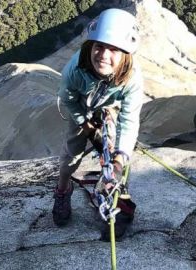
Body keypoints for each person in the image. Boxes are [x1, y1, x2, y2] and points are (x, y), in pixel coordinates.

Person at [53, 8, 143, 241]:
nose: (103, 54)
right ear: (90, 46)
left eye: (113, 49)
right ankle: (63, 189)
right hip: (81, 107)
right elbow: (68, 100)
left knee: (114, 157)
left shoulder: (132, 79)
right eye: (99, 46)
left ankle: (116, 202)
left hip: (110, 108)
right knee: (72, 154)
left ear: (126, 55)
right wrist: (85, 125)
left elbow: (130, 119)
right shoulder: (75, 69)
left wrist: (120, 158)